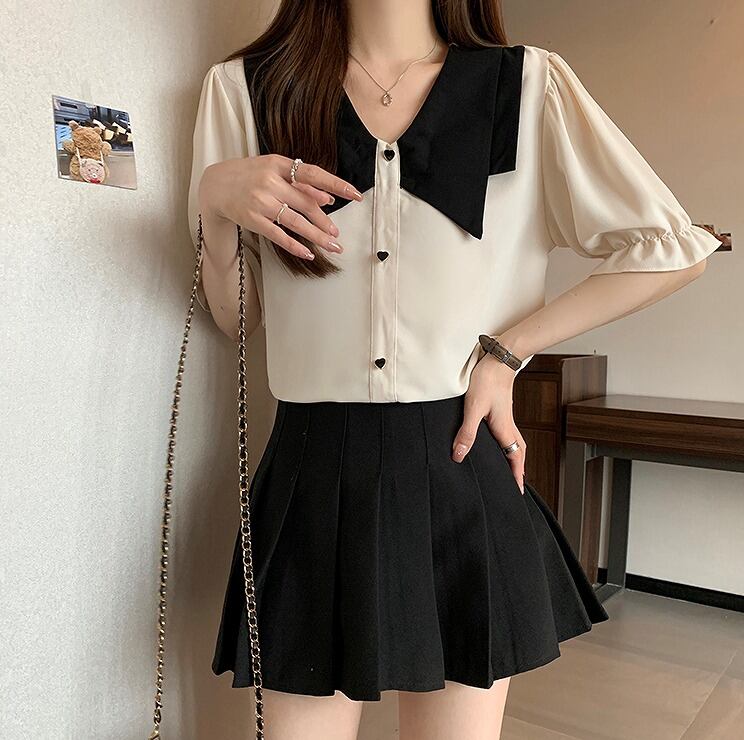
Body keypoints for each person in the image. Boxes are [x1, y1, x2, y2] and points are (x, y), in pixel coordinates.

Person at [186, 1, 723, 738]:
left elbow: (672, 248)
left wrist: (508, 351)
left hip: (460, 460)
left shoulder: (529, 86)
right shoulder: (244, 89)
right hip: (314, 468)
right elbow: (238, 318)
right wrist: (215, 207)